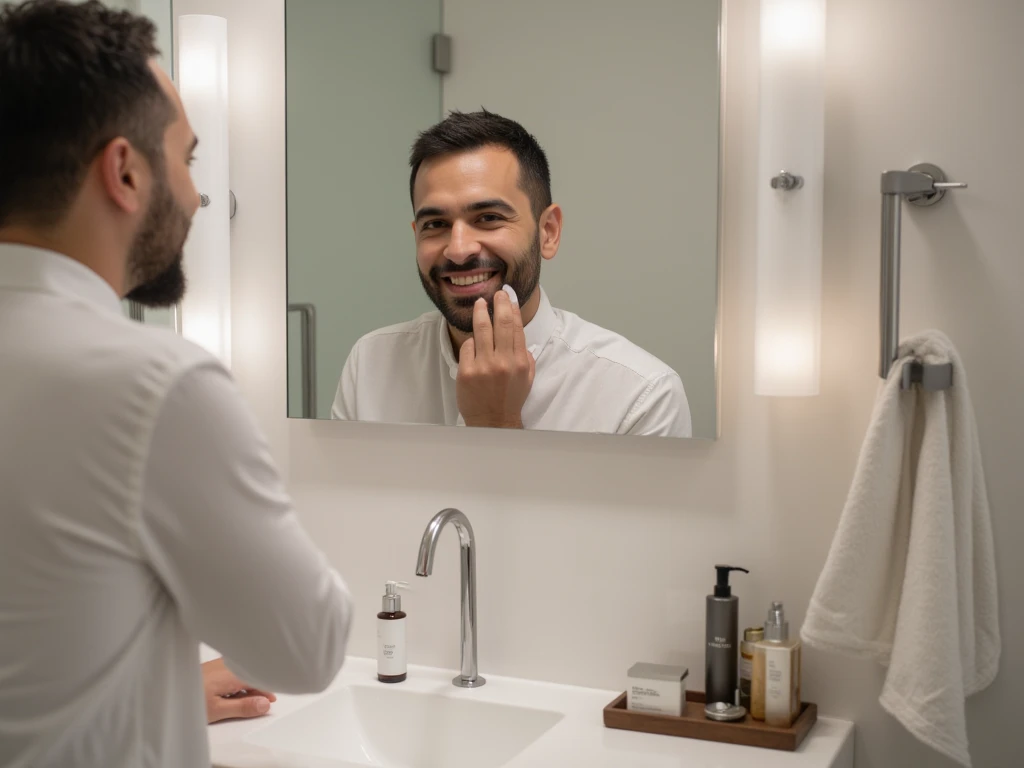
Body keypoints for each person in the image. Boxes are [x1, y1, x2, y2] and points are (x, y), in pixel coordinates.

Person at [0, 2, 353, 766]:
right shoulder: (153, 386)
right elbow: (308, 649)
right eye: (188, 159)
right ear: (125, 171)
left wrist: (151, 684)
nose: (197, 197)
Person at [331, 110, 692, 437]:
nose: (458, 249)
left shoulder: (641, 398)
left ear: (548, 231)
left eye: (488, 218)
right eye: (436, 224)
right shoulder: (371, 364)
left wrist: (496, 423)